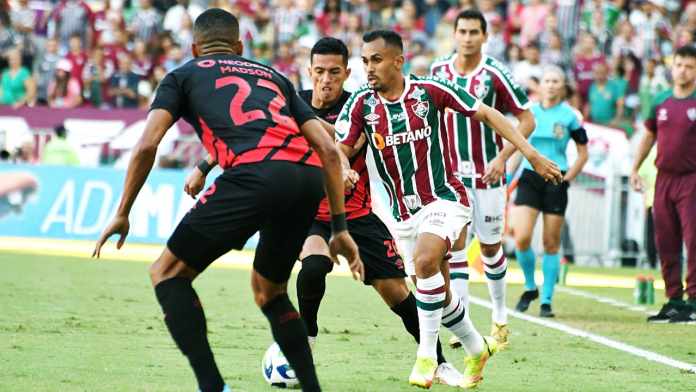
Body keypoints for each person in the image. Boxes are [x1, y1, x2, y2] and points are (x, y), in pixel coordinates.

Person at [93, 9, 363, 392]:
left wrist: (123, 212)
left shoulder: (183, 75)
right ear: (239, 47)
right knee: (270, 292)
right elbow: (327, 148)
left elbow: (147, 145)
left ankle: (213, 388)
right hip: (305, 179)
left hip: (253, 175)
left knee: (166, 273)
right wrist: (339, 227)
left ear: (194, 47)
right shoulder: (274, 76)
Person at [185, 36, 464, 387]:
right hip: (307, 211)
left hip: (356, 213)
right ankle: (307, 341)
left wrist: (344, 168)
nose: (326, 79)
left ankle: (437, 362)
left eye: (335, 72)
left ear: (348, 72)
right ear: (309, 71)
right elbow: (251, 133)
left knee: (397, 293)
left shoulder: (362, 105)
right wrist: (205, 166)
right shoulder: (291, 103)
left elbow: (345, 145)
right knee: (315, 264)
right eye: (319, 71)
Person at [336, 30, 562, 389]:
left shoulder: (428, 90)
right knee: (435, 292)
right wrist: (343, 166)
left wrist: (530, 155)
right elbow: (340, 147)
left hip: (445, 197)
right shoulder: (363, 104)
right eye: (364, 61)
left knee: (426, 262)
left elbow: (486, 114)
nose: (368, 68)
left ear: (398, 61)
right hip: (402, 214)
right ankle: (476, 347)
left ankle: (426, 356)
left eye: (376, 60)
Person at [429, 9, 536, 349]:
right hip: (450, 177)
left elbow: (527, 119)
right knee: (455, 249)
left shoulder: (494, 73)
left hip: (487, 174)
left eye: (474, 32)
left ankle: (500, 316)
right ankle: (464, 325)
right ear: (454, 34)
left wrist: (502, 157)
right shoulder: (438, 70)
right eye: (462, 31)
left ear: (485, 36)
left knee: (490, 247)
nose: (467, 37)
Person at [512, 66, 589, 318]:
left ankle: (546, 300)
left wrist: (567, 178)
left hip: (556, 179)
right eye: (548, 80)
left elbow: (583, 153)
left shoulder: (570, 116)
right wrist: (506, 178)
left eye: (557, 81)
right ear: (540, 85)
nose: (552, 85)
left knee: (550, 242)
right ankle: (529, 286)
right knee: (521, 237)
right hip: (530, 177)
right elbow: (516, 146)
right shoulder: (528, 112)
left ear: (563, 85)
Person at [630, 45, 696, 324]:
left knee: (693, 241)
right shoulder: (660, 101)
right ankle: (673, 300)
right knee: (665, 241)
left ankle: (694, 301)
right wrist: (634, 167)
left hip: (692, 179)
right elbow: (647, 136)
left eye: (689, 66)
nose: (682, 70)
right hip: (663, 179)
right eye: (678, 64)